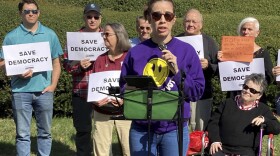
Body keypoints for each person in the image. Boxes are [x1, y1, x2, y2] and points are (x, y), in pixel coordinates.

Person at [120, 0, 205, 155]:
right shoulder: (135, 52)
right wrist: (127, 89)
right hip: (141, 128)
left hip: (174, 128)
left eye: (168, 15)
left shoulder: (187, 51)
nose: (162, 19)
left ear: (173, 19)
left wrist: (176, 72)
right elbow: (122, 87)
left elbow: (197, 92)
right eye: (157, 15)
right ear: (149, 18)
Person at [0, 0, 63, 155]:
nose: (31, 14)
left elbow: (56, 63)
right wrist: (17, 71)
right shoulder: (11, 37)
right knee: (22, 134)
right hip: (20, 91)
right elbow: (2, 64)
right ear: (20, 14)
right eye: (27, 11)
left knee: (45, 132)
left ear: (39, 13)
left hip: (44, 91)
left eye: (34, 11)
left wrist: (53, 85)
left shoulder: (50, 34)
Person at [62, 3, 103, 155]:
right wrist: (78, 66)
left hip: (103, 91)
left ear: (100, 18)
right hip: (81, 91)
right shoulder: (74, 39)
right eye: (89, 16)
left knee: (103, 130)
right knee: (83, 130)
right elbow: (66, 65)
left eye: (96, 17)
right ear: (84, 17)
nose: (92, 20)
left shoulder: (107, 36)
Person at [207, 73, 280, 156]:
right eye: (245, 87)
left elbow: (276, 128)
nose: (247, 91)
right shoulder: (227, 103)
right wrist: (215, 140)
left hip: (246, 151)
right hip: (221, 147)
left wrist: (264, 120)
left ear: (259, 95)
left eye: (252, 90)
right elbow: (213, 123)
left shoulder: (263, 109)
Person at [92, 23, 132, 156]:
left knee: (129, 150)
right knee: (100, 151)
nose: (104, 37)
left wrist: (125, 100)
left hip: (126, 112)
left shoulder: (130, 57)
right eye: (103, 34)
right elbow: (94, 87)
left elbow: (137, 86)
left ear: (119, 36)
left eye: (107, 34)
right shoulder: (99, 59)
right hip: (102, 111)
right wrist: (95, 100)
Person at [177, 8, 219, 131]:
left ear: (201, 24)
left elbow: (219, 68)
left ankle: (200, 150)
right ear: (183, 23)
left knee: (201, 127)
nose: (190, 24)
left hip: (202, 93)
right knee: (181, 126)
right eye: (187, 21)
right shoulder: (176, 40)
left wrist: (208, 66)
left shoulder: (209, 42)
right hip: (180, 93)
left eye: (194, 22)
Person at [217, 17, 273, 103]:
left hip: (255, 100)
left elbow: (269, 78)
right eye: (243, 29)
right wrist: (221, 62)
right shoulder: (230, 52)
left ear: (257, 33)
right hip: (234, 98)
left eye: (250, 29)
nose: (246, 32)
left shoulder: (263, 53)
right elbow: (222, 75)